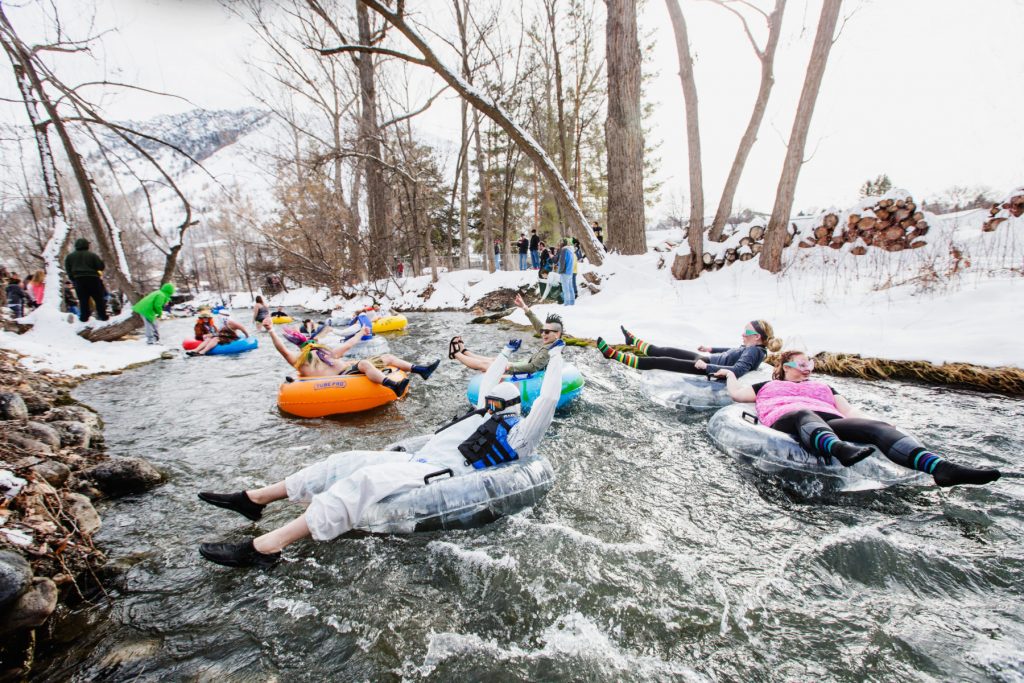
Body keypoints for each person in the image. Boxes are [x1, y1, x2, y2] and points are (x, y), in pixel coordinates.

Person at [197, 338, 567, 568]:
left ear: (511, 407)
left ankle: (267, 547)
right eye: (489, 398)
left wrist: (556, 358)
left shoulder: (520, 434)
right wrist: (505, 353)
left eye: (495, 401)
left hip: (442, 475)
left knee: (364, 481)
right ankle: (255, 499)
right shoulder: (485, 409)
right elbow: (490, 379)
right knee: (341, 462)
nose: (488, 401)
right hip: (416, 461)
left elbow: (548, 400)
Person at [720, 350, 1001, 487]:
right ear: (785, 367)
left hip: (829, 421)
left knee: (875, 428)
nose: (808, 368)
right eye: (802, 363)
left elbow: (849, 412)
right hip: (788, 419)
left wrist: (876, 424)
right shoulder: (766, 386)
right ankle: (839, 449)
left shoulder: (824, 387)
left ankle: (941, 468)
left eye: (811, 364)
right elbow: (736, 395)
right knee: (805, 413)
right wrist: (730, 374)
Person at [262, 317, 438, 396]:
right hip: (344, 378)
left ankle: (422, 370)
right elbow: (282, 350)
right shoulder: (300, 362)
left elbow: (348, 345)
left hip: (348, 370)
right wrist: (271, 331)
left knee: (388, 357)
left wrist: (361, 332)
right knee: (364, 364)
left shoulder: (323, 353)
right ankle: (393, 386)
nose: (313, 347)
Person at [597, 320, 782, 376]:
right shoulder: (751, 348)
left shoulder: (754, 351)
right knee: (666, 350)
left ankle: (612, 355)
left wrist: (707, 367)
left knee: (663, 361)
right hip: (707, 360)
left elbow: (738, 370)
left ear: (757, 337)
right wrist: (711, 349)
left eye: (746, 332)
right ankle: (633, 342)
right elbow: (731, 351)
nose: (742, 334)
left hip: (706, 368)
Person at [451, 293, 563, 375]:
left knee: (486, 365)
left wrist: (509, 368)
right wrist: (524, 306)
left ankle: (456, 354)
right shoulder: (553, 341)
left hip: (527, 371)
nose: (543, 334)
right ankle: (465, 352)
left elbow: (532, 367)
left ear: (557, 334)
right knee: (494, 360)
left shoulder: (551, 350)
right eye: (543, 331)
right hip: (525, 363)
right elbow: (537, 324)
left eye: (546, 332)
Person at [63, 238, 108, 322]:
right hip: (93, 279)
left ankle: (84, 317)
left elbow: (68, 269)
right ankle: (103, 316)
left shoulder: (70, 257)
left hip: (79, 280)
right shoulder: (92, 255)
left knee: (83, 299)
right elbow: (100, 267)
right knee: (98, 299)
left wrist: (73, 279)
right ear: (87, 245)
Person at [557, 238, 576, 306]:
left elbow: (562, 262)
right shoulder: (570, 250)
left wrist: (560, 271)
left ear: (562, 243)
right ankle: (572, 302)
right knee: (570, 287)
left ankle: (567, 303)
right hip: (570, 271)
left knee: (565, 289)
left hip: (565, 272)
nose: (559, 244)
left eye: (560, 243)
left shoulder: (564, 250)